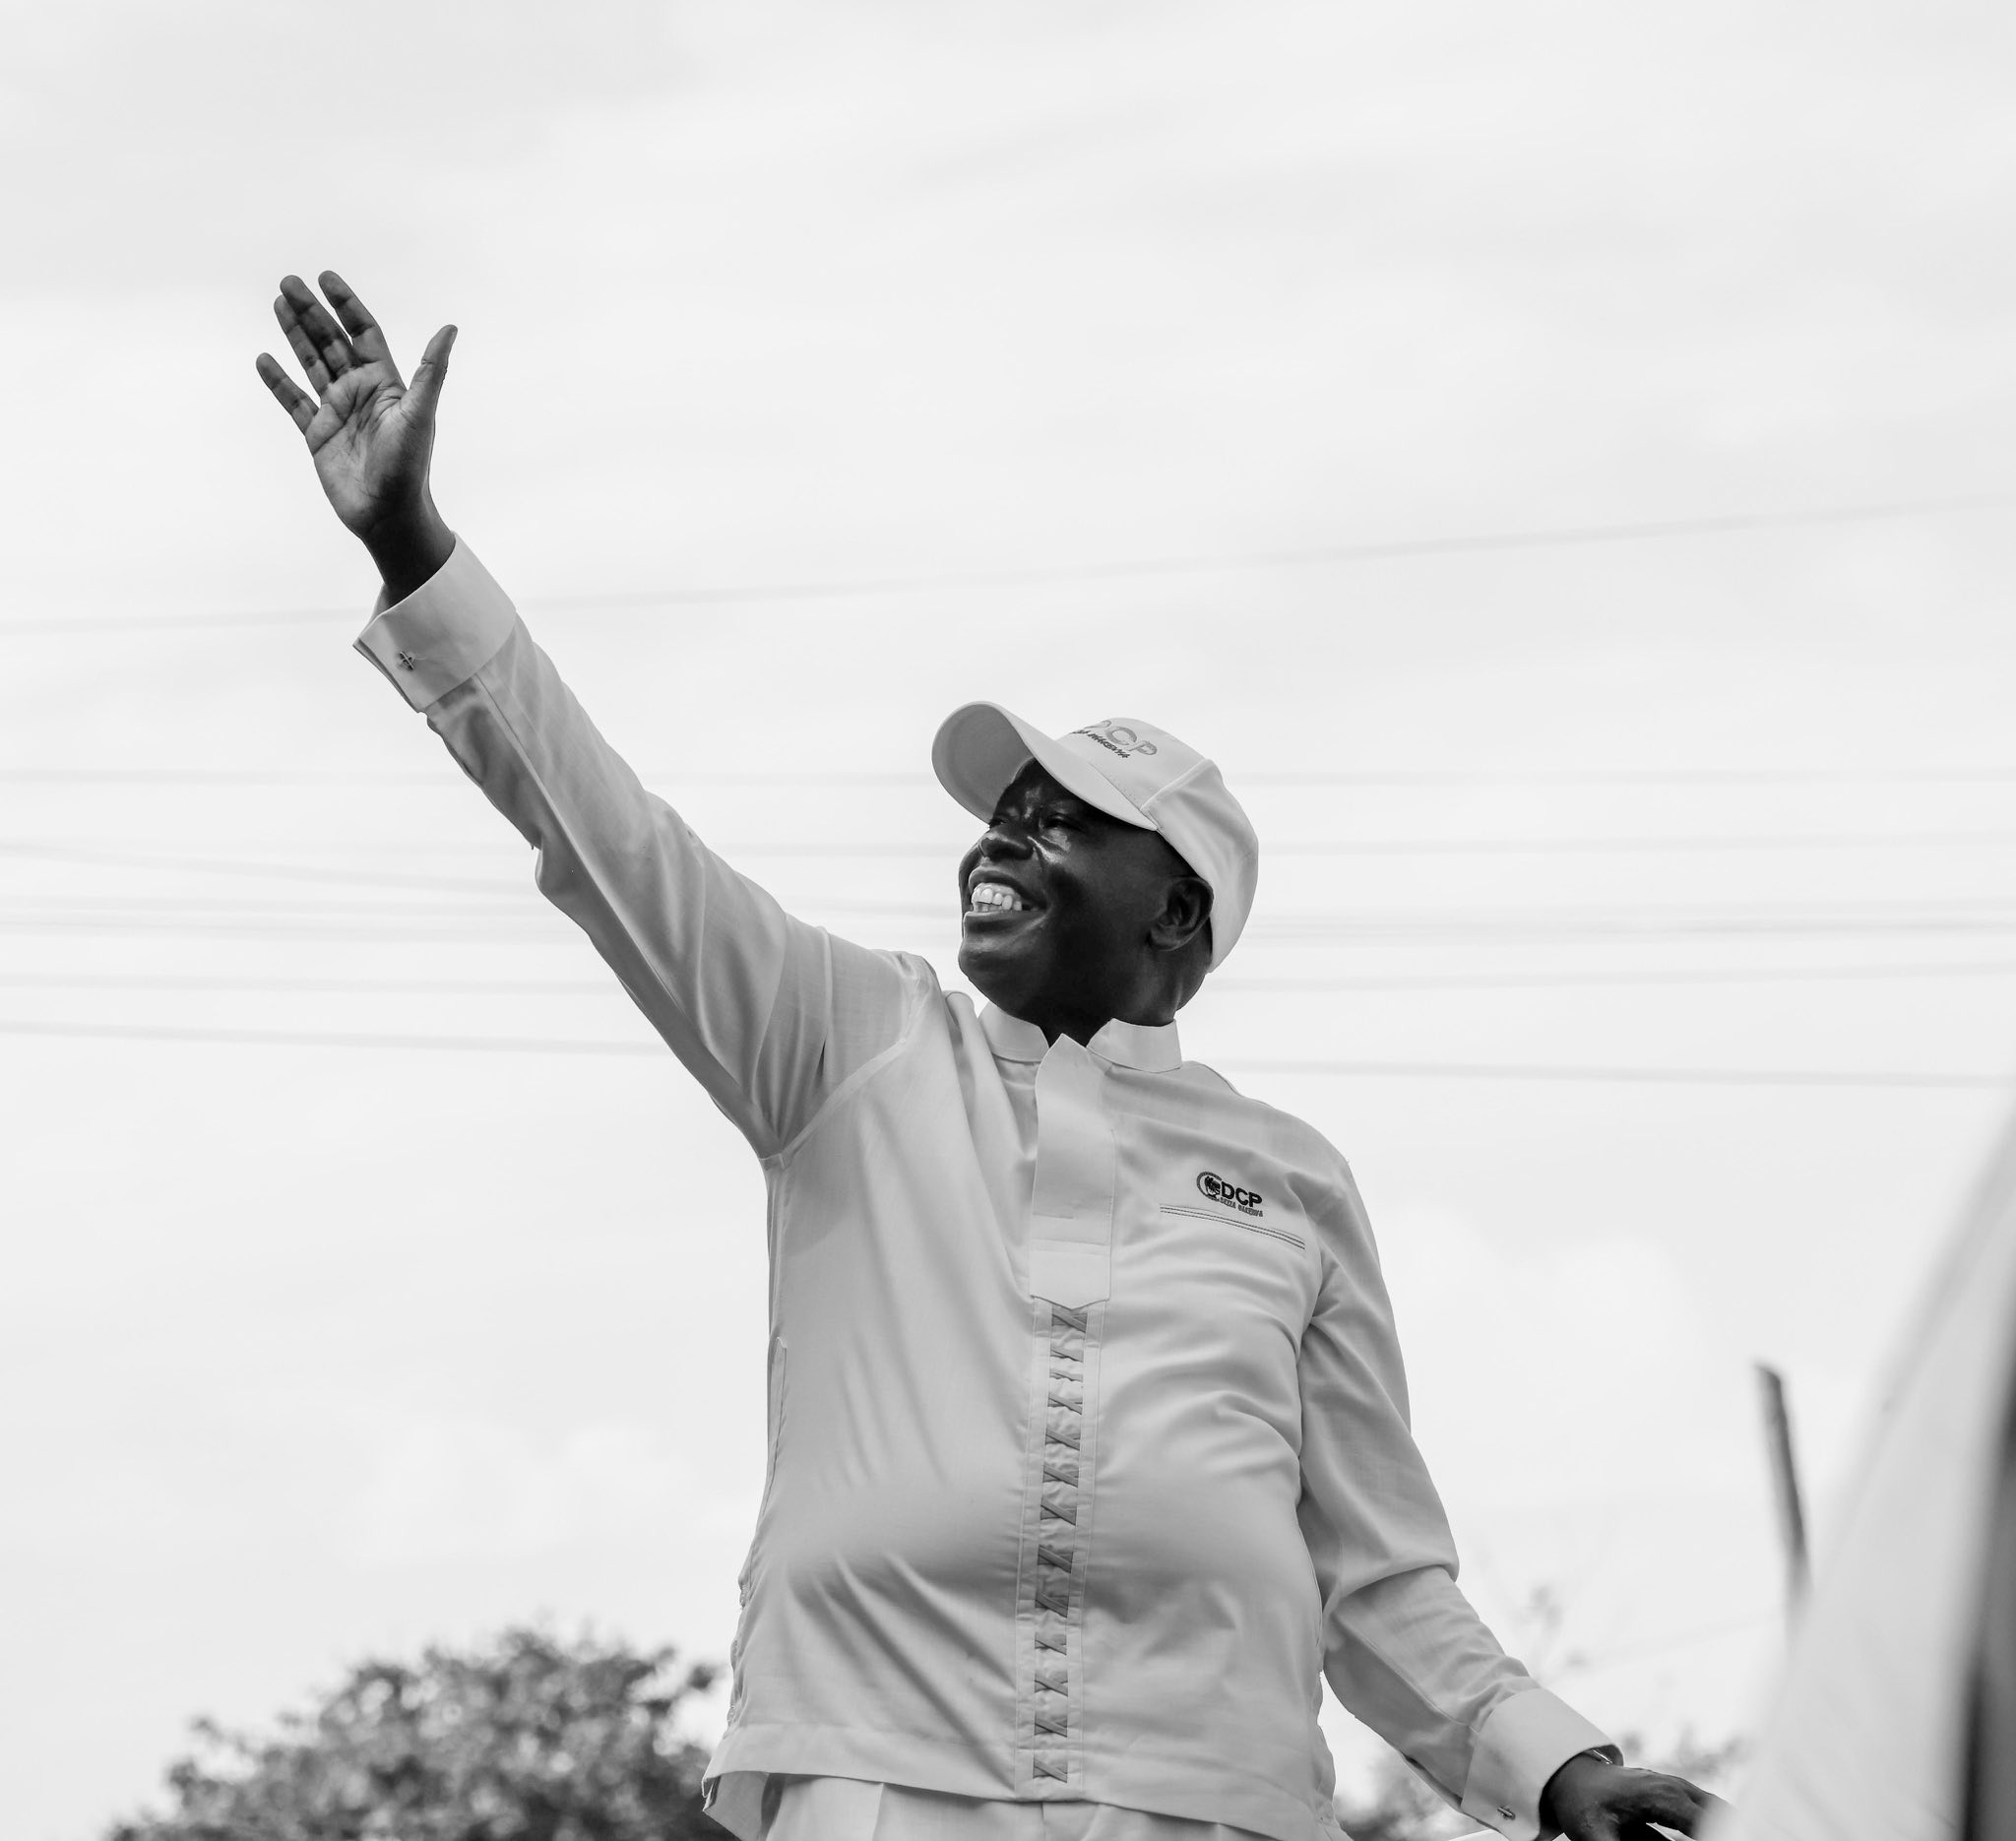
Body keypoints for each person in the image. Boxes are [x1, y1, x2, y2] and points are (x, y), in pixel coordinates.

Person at [256, 272, 1717, 1841]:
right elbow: (605, 833)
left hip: (1209, 1810)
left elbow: (1379, 1577)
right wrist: (413, 547)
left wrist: (1564, 1765)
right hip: (878, 1790)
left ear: (1177, 916)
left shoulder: (1292, 1183)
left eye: (1064, 817)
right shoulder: (852, 1047)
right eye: (1004, 809)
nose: (1004, 834)